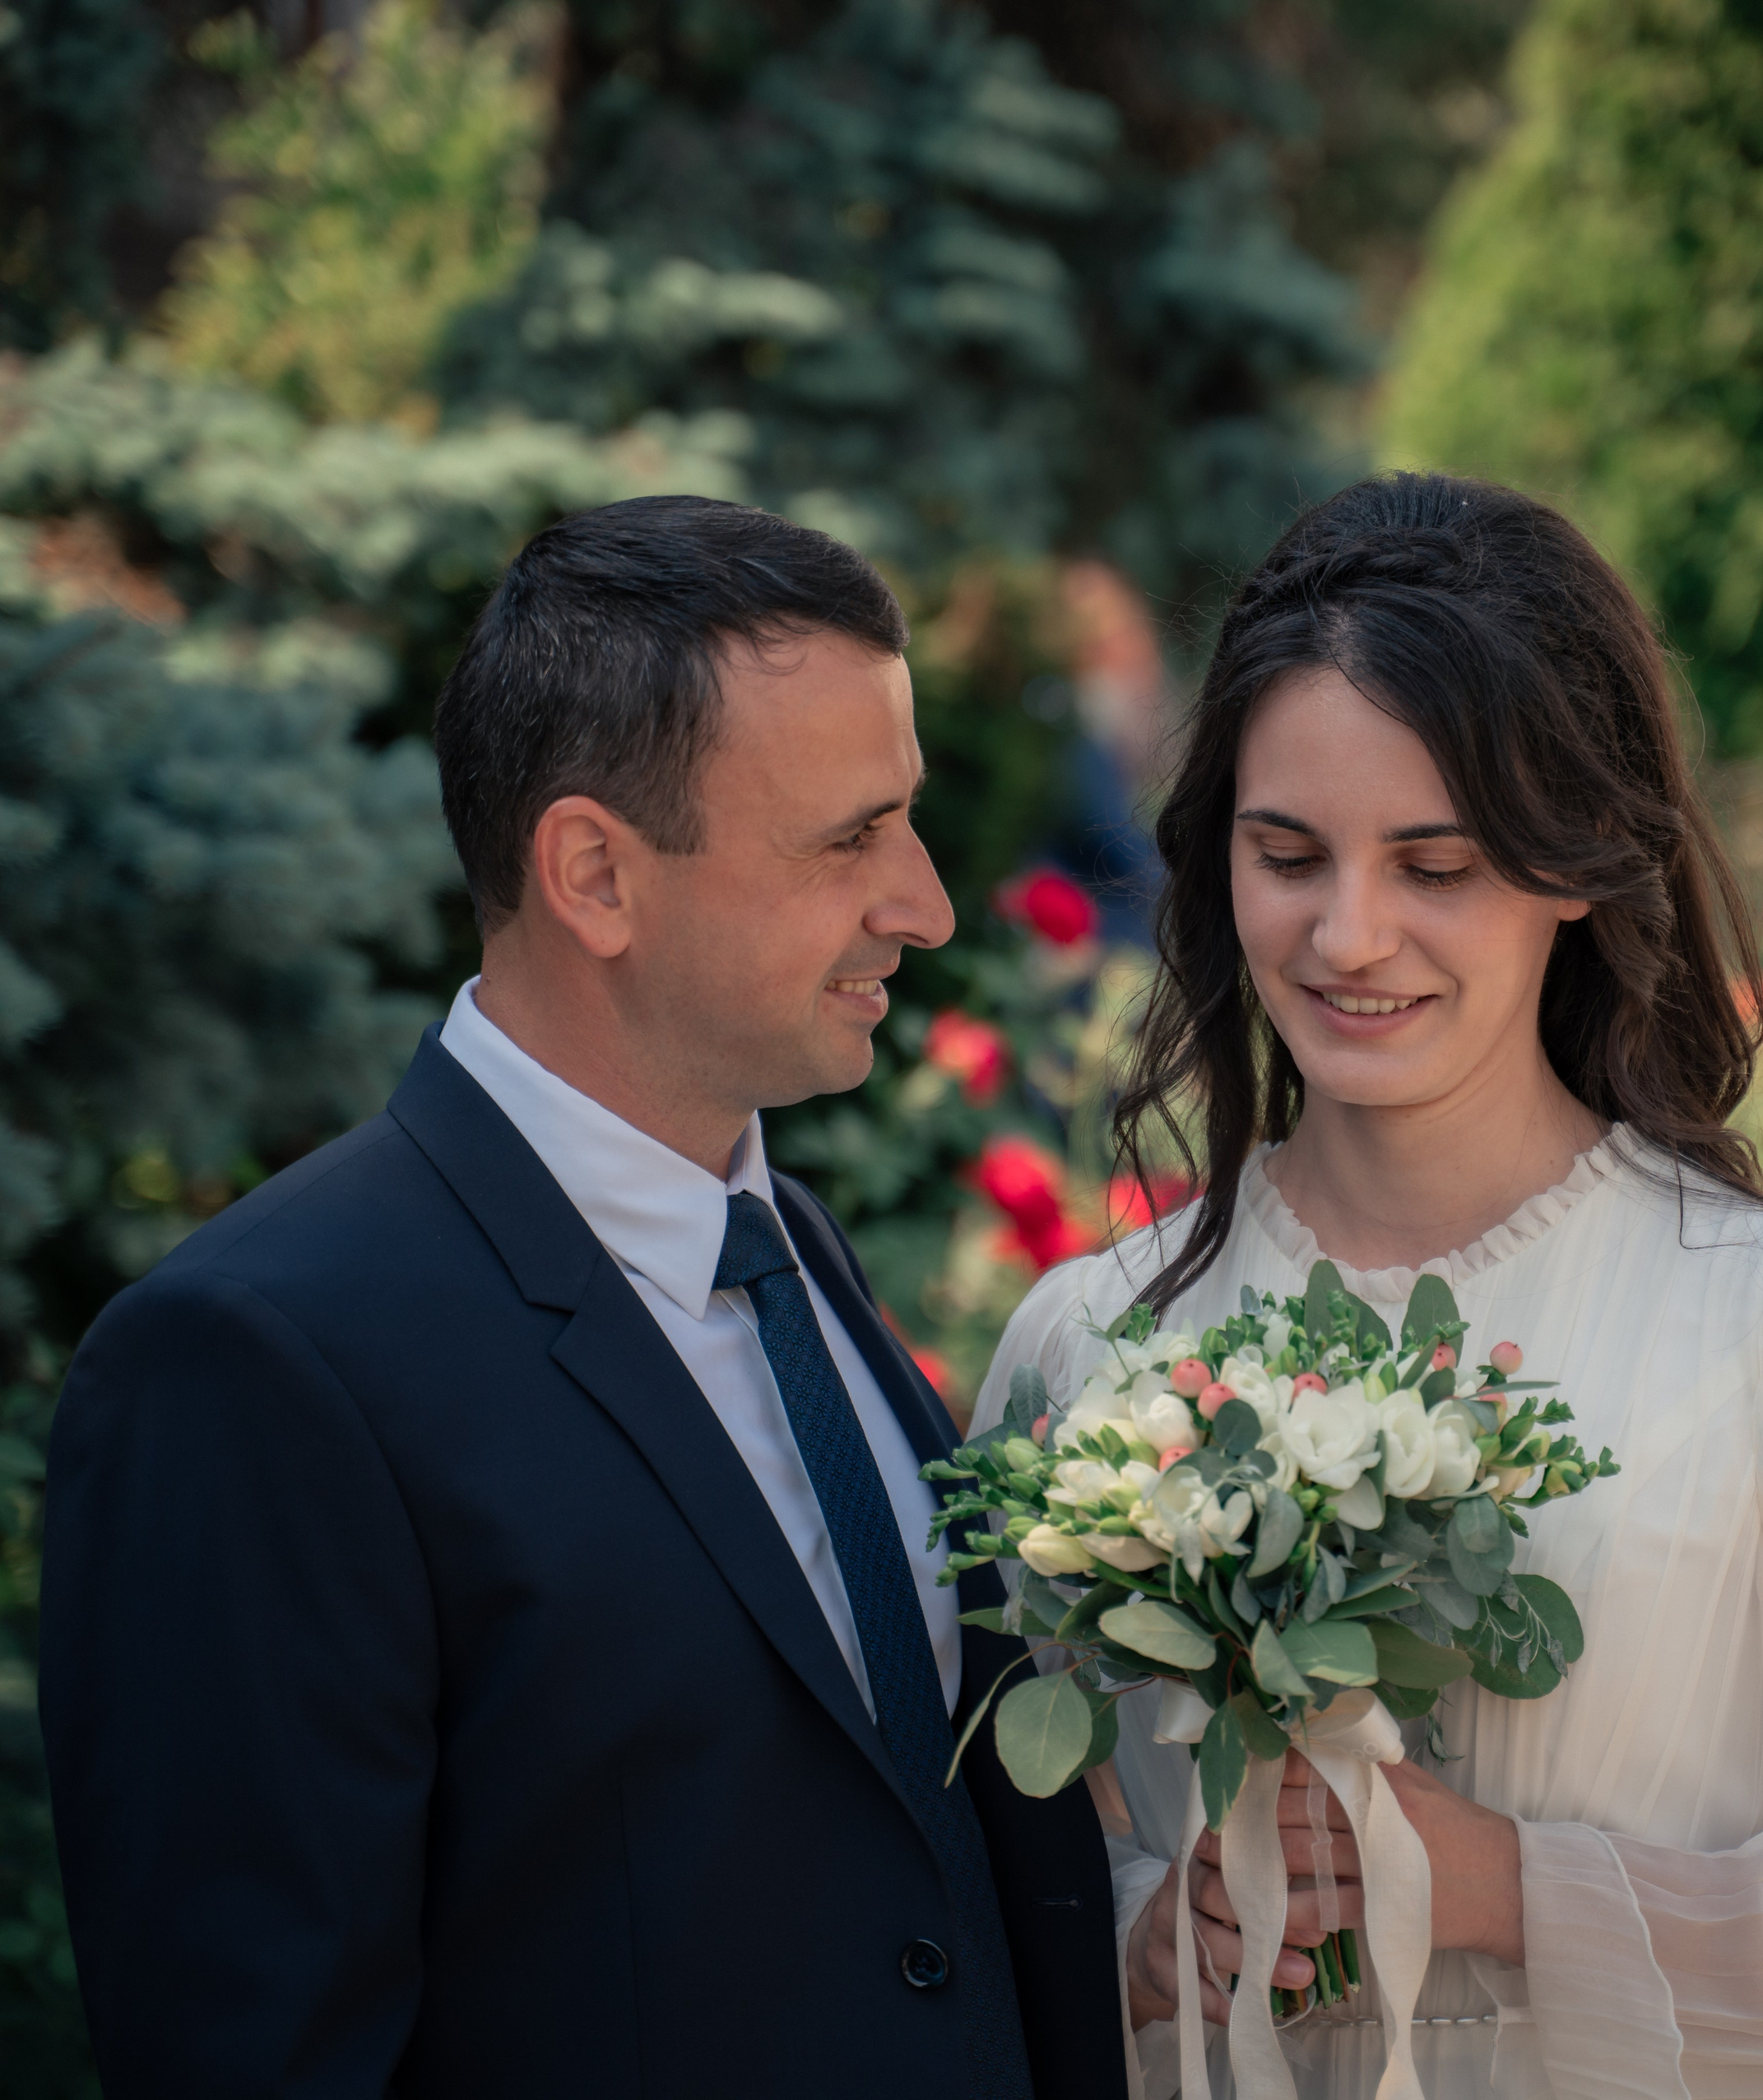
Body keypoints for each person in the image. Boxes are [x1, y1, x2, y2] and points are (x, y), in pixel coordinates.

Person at [974, 472, 1763, 2098]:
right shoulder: (1084, 1344)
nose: (1349, 934)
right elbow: (969, 1915)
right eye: (1286, 852)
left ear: (1572, 861)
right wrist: (1145, 1941)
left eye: (1434, 864)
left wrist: (1506, 1883)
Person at [40, 496, 1124, 2098]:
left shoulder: (789, 1247)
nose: (926, 903)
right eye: (849, 836)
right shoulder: (256, 1364)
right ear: (594, 874)